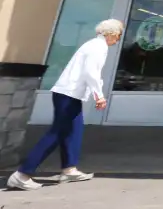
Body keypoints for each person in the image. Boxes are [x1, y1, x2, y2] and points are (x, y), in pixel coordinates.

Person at [7, 19, 123, 191]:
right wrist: (99, 96)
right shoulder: (98, 47)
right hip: (68, 94)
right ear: (112, 34)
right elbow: (91, 72)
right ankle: (22, 174)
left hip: (70, 95)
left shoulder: (92, 45)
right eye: (119, 35)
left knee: (74, 130)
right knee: (57, 133)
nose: (118, 39)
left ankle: (69, 169)